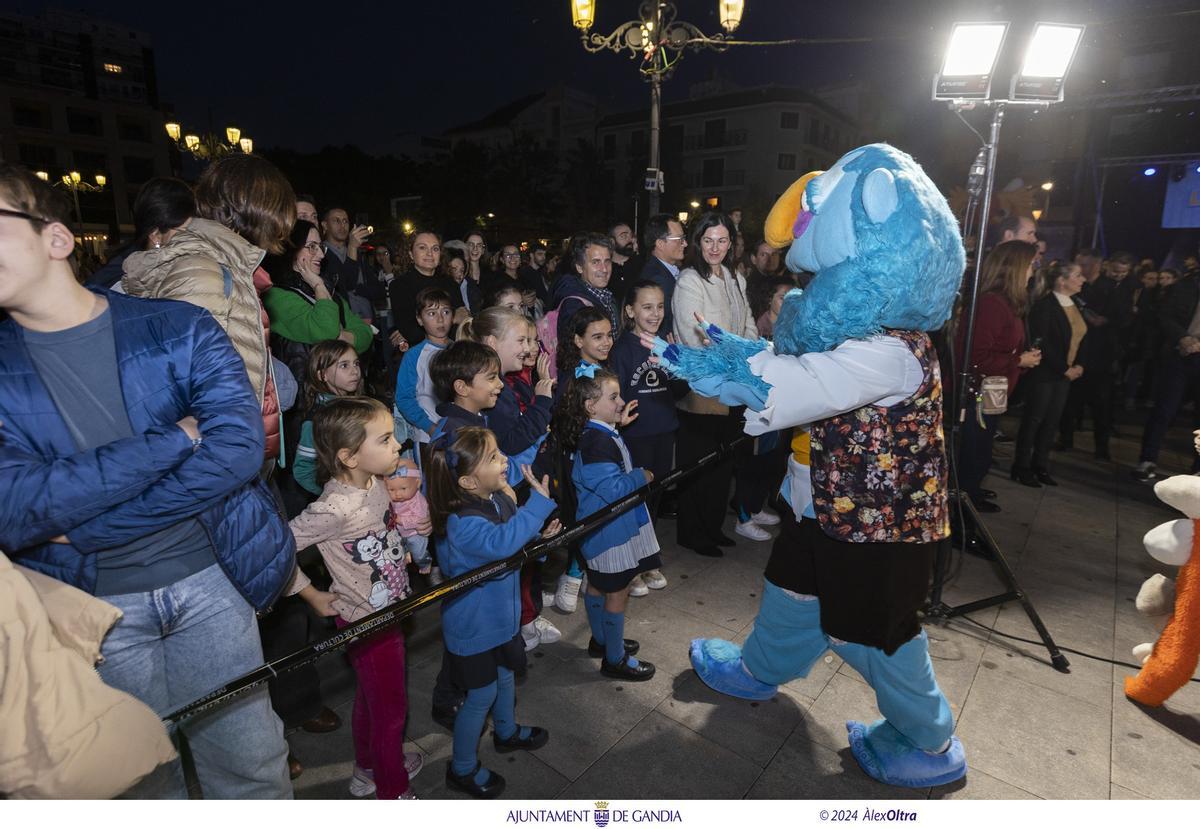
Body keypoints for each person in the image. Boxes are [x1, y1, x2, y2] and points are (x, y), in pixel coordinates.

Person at [0, 163, 294, 798]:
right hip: (92, 613)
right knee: (142, 788)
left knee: (250, 774)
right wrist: (173, 440)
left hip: (213, 581)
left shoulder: (175, 327)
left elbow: (239, 452)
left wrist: (88, 529)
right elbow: (15, 506)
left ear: (56, 238)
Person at [285, 396, 425, 799]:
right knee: (391, 711)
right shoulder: (332, 508)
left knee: (372, 696)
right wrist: (309, 593)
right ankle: (392, 790)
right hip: (367, 624)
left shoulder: (374, 481)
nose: (397, 443)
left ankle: (369, 769)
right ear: (349, 456)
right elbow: (276, 549)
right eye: (384, 439)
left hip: (390, 609)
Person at [122, 154, 294, 470]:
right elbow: (184, 386)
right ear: (254, 211)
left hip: (233, 453)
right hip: (217, 461)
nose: (280, 236)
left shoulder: (229, 268)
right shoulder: (205, 270)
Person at [426, 427, 558, 799]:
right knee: (479, 697)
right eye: (494, 458)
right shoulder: (461, 523)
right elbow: (501, 544)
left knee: (504, 679)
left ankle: (506, 731)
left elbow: (513, 539)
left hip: (500, 620)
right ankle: (462, 769)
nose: (504, 461)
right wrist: (537, 506)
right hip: (474, 629)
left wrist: (539, 538)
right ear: (468, 481)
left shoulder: (497, 499)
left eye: (500, 452)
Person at [458, 306, 560, 650]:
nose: (529, 348)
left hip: (517, 482)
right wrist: (543, 402)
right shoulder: (494, 396)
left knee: (526, 558)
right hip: (507, 487)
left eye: (531, 340)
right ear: (491, 342)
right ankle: (515, 626)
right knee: (514, 559)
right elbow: (513, 440)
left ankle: (524, 619)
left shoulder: (507, 384)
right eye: (521, 340)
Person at [554, 366, 659, 680]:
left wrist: (617, 425)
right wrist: (642, 475)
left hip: (601, 532)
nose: (621, 402)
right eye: (613, 397)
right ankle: (615, 658)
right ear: (590, 406)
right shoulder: (597, 443)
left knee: (599, 584)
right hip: (610, 532)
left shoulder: (597, 434)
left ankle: (601, 640)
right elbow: (614, 490)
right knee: (618, 591)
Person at [672, 211, 757, 557]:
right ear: (698, 242)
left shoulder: (735, 277)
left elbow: (749, 323)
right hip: (703, 386)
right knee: (700, 464)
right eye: (708, 240)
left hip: (732, 383)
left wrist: (744, 350)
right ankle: (692, 532)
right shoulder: (689, 280)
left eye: (722, 240)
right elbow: (696, 336)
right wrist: (737, 352)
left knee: (723, 464)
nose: (715, 247)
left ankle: (712, 526)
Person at [953, 241, 1042, 509]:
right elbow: (973, 356)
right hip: (979, 392)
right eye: (1030, 265)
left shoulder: (1007, 303)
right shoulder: (992, 304)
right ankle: (962, 503)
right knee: (974, 448)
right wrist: (1019, 359)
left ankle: (972, 492)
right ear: (1015, 268)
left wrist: (1021, 359)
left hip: (994, 389)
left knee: (982, 446)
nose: (1033, 271)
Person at [609, 280, 681, 593]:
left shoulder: (665, 344)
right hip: (635, 435)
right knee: (633, 500)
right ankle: (631, 565)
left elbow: (679, 390)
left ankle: (647, 558)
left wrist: (679, 363)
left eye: (660, 306)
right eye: (647, 307)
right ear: (630, 310)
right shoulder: (622, 350)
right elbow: (617, 395)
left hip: (665, 430)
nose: (655, 313)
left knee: (654, 497)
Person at [263, 219, 375, 386]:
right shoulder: (275, 296)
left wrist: (341, 336)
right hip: (304, 397)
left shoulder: (330, 293)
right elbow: (325, 330)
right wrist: (318, 285)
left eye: (320, 246)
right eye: (311, 247)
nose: (322, 254)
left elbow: (365, 334)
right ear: (290, 249)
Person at [1012, 261, 1088, 487]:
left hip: (1064, 374)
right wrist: (1065, 368)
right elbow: (1043, 342)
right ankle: (1022, 466)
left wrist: (1080, 365)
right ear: (1062, 281)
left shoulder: (1075, 304)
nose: (1082, 279)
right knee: (1034, 419)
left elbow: (1080, 337)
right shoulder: (1045, 307)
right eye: (1078, 275)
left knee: (1051, 421)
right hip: (1046, 372)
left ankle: (1040, 465)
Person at [1132, 263, 1200, 482]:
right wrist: (1182, 337)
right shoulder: (1186, 285)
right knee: (1164, 410)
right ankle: (1147, 459)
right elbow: (1164, 315)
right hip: (1181, 354)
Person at [87, 177, 194, 289]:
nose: (193, 238)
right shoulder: (124, 285)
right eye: (184, 232)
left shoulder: (165, 270)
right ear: (156, 236)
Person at [292, 339, 363, 495]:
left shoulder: (358, 407)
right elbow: (302, 470)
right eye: (344, 365)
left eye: (356, 363)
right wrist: (331, 495)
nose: (354, 371)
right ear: (322, 375)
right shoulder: (317, 419)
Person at [395, 287, 454, 463]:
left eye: (446, 311)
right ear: (420, 319)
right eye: (431, 313)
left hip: (461, 433)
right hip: (428, 437)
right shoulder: (414, 355)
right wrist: (429, 427)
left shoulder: (460, 350)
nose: (440, 319)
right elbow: (404, 398)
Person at [389, 230, 460, 347]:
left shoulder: (450, 283)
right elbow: (411, 332)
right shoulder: (400, 286)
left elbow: (462, 321)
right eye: (422, 248)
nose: (430, 253)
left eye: (435, 249)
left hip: (451, 350)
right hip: (420, 352)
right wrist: (452, 318)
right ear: (411, 254)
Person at [551, 233, 618, 343]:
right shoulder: (574, 306)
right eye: (595, 262)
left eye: (607, 261)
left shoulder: (606, 296)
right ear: (579, 267)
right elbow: (570, 353)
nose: (604, 269)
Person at [320, 207, 379, 322]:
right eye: (336, 221)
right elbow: (345, 285)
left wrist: (360, 290)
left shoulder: (357, 254)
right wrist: (352, 246)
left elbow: (378, 289)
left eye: (345, 221)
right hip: (343, 324)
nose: (342, 226)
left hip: (368, 322)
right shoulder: (321, 254)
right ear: (325, 225)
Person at [640, 214, 687, 335]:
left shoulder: (669, 270)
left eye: (684, 238)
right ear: (660, 244)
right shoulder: (657, 279)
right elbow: (662, 325)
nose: (685, 244)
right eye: (679, 240)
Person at [745, 240, 784, 322]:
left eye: (774, 254)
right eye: (763, 255)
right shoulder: (750, 287)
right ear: (754, 259)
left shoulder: (780, 282)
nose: (770, 259)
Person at [607, 222, 641, 304]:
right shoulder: (605, 269)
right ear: (612, 241)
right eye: (624, 236)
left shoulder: (641, 265)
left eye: (631, 236)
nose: (630, 240)